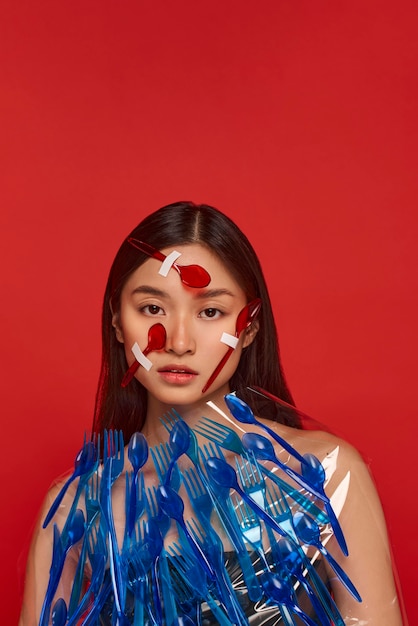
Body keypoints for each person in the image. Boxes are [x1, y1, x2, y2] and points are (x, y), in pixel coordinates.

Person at [19, 201, 406, 625]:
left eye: (210, 311)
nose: (179, 341)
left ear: (250, 327)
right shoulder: (77, 505)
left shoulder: (323, 475)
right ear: (117, 321)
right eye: (152, 308)